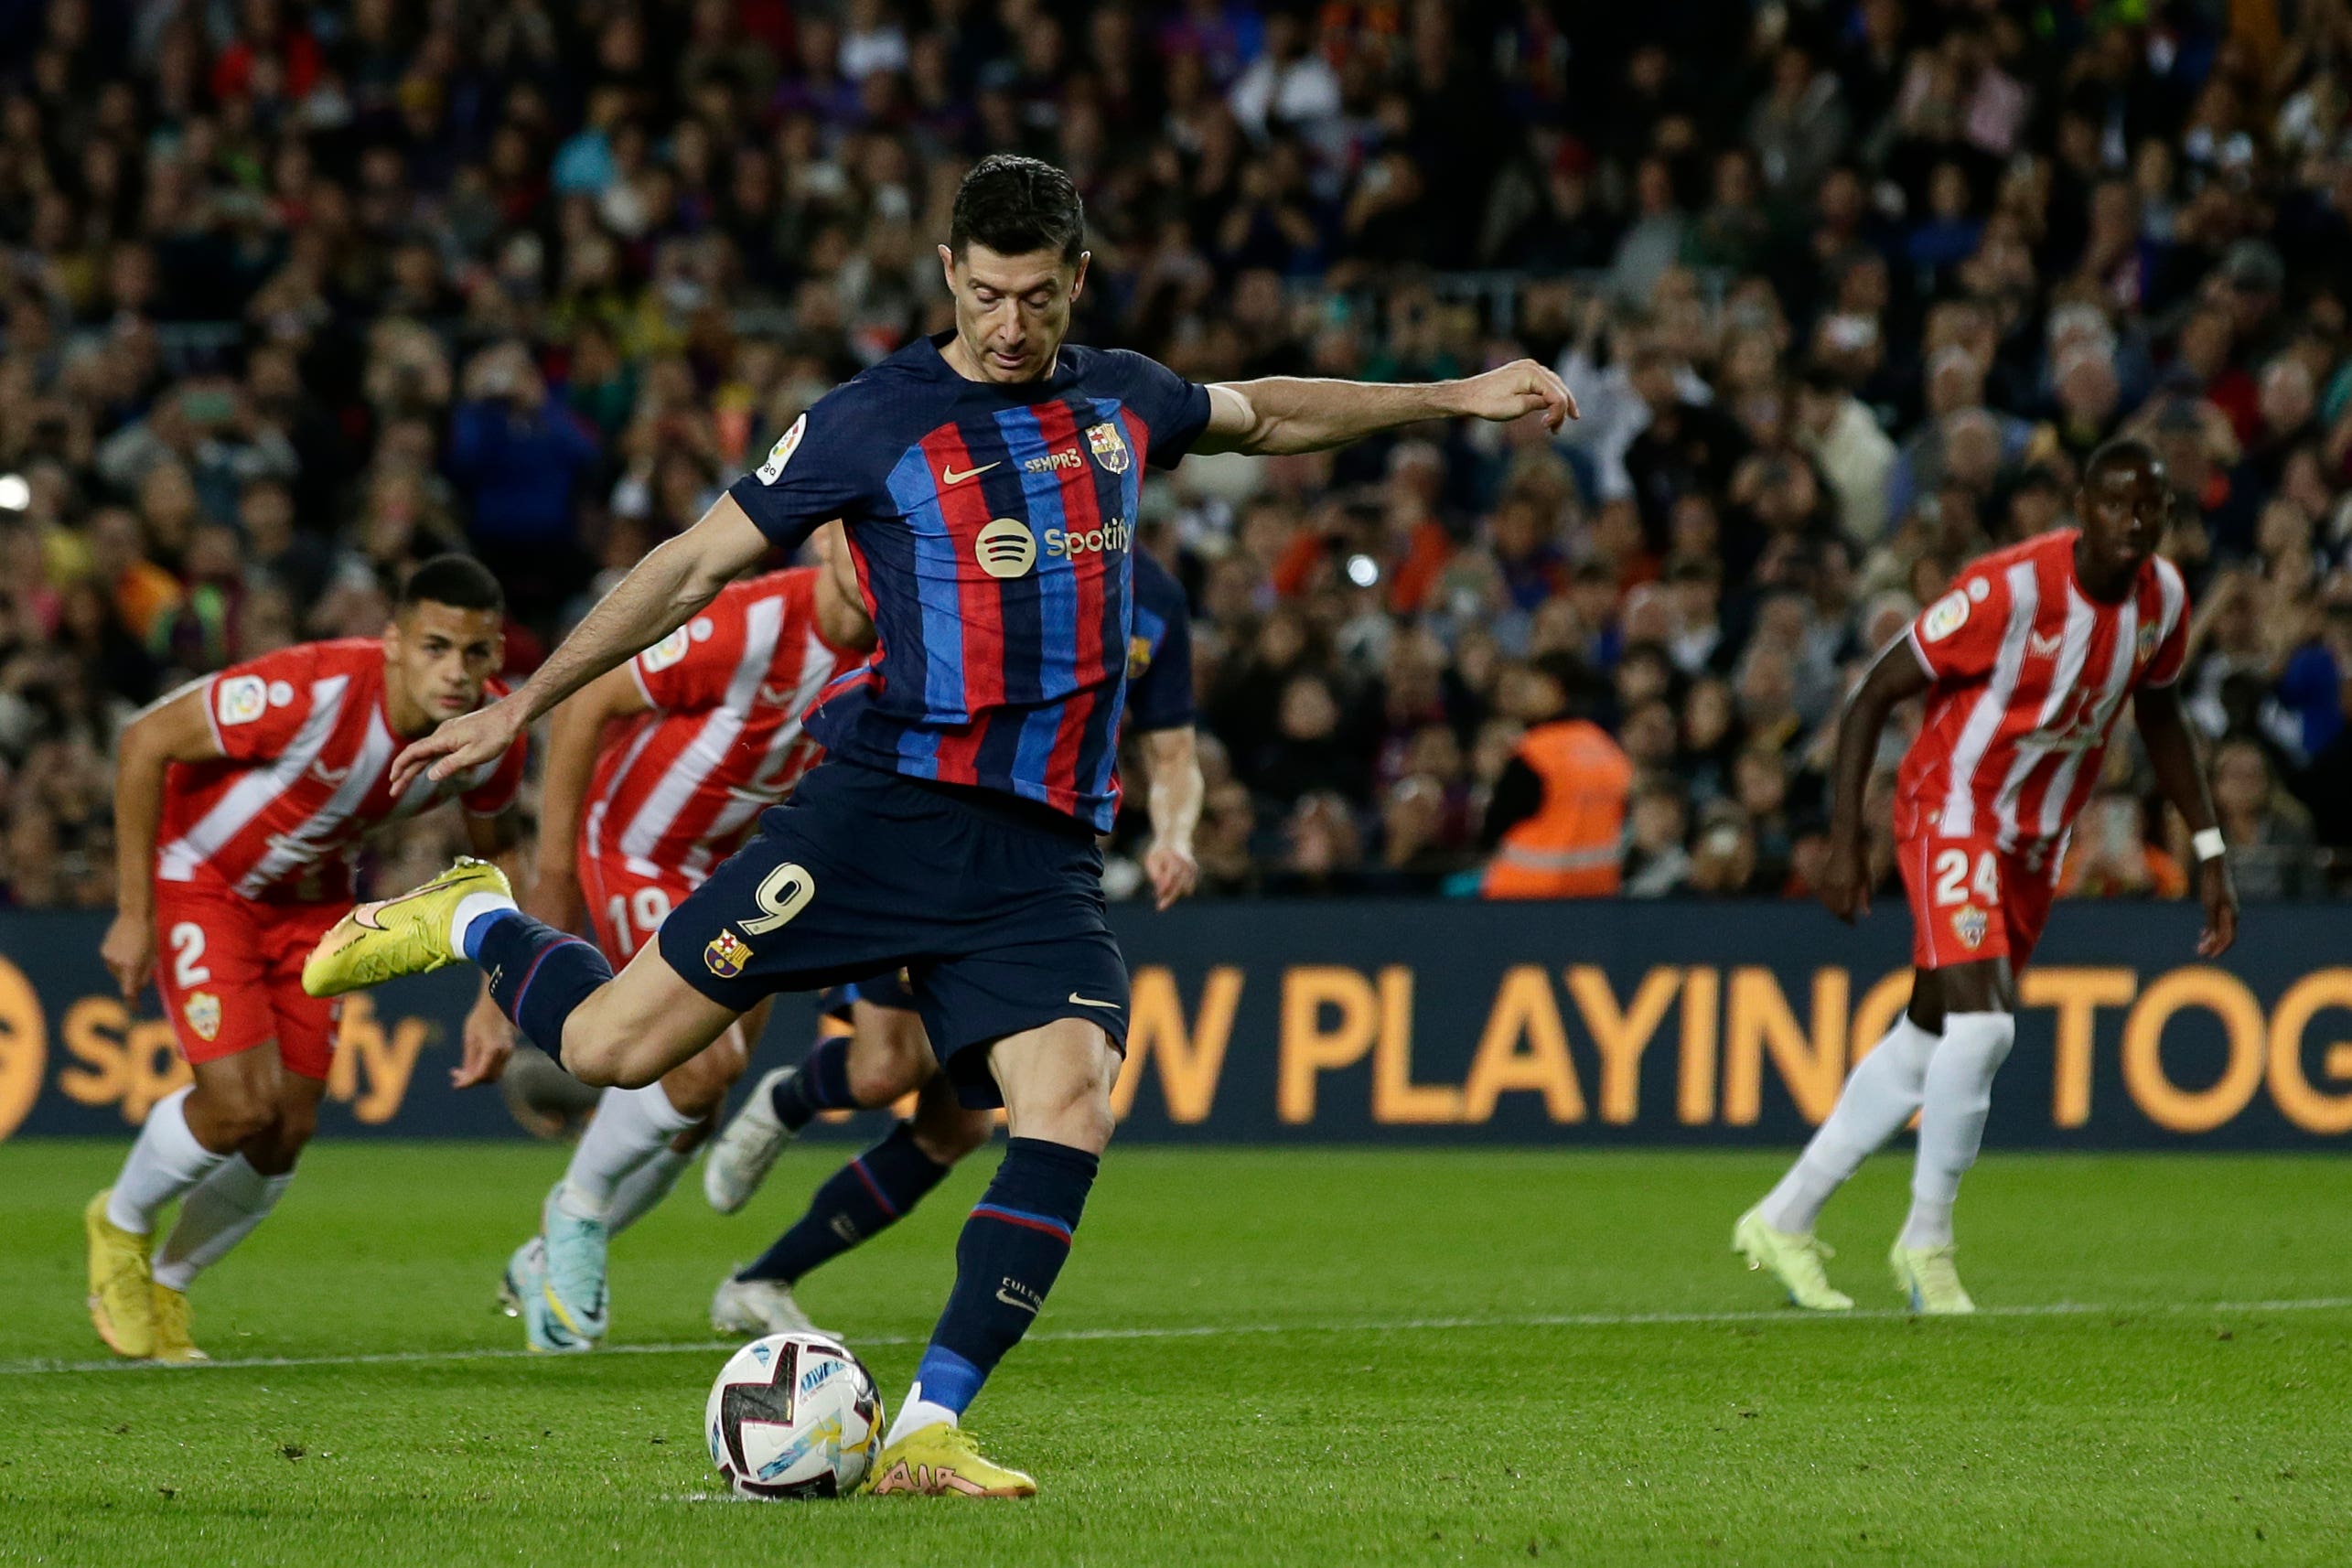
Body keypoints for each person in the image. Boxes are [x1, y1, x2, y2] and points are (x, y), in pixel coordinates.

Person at [300, 154, 1573, 1497]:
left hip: (1038, 857)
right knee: (618, 1045)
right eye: (982, 296)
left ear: (1073, 280)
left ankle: (926, 1426)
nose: (1008, 325)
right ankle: (472, 913)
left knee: (1067, 1107)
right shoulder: (869, 420)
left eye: (1032, 296)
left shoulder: (1125, 396)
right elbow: (685, 565)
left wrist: (1446, 396)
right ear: (947, 281)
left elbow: (1273, 414)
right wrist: (520, 708)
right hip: (881, 814)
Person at [1734, 439, 2236, 1315]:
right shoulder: (2008, 590)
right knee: (1984, 1026)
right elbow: (1871, 697)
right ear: (2081, 507)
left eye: (2149, 509)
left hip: (2035, 843)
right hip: (1951, 810)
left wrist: (2209, 850)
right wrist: (1844, 838)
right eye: (2115, 505)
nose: (2132, 523)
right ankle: (1926, 1245)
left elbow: (2159, 719)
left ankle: (1784, 1217)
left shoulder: (2162, 602)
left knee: (1930, 1036)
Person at [695, 545, 1205, 1338]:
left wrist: (1175, 835)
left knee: (957, 1125)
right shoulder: (1000, 544)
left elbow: (1171, 748)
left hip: (1029, 872)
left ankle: (760, 1281)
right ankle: (788, 1098)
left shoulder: (1156, 601)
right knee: (883, 1070)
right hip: (921, 831)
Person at [85, 556, 528, 1362]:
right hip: (207, 879)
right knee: (236, 1105)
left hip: (315, 906)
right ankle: (119, 1226)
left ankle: (169, 1284)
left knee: (285, 1130)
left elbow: (497, 860)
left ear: (498, 654)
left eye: (476, 653)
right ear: (392, 641)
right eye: (435, 647)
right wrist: (132, 911)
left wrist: (496, 996)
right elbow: (145, 741)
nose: (456, 673)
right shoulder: (310, 690)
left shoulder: (492, 739)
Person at [494, 537, 874, 1352]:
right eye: (864, 527)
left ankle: (541, 1259)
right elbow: (588, 696)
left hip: (745, 869)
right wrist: (552, 870)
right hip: (638, 846)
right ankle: (576, 1212)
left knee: (690, 1112)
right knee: (700, 1070)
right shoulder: (754, 622)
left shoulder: (902, 643)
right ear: (825, 536)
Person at [1478, 652, 1634, 897]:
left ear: (1553, 689)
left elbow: (1495, 824)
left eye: (1530, 686)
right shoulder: (1608, 750)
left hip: (1525, 895)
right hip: (1596, 895)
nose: (1523, 696)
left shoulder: (1536, 753)